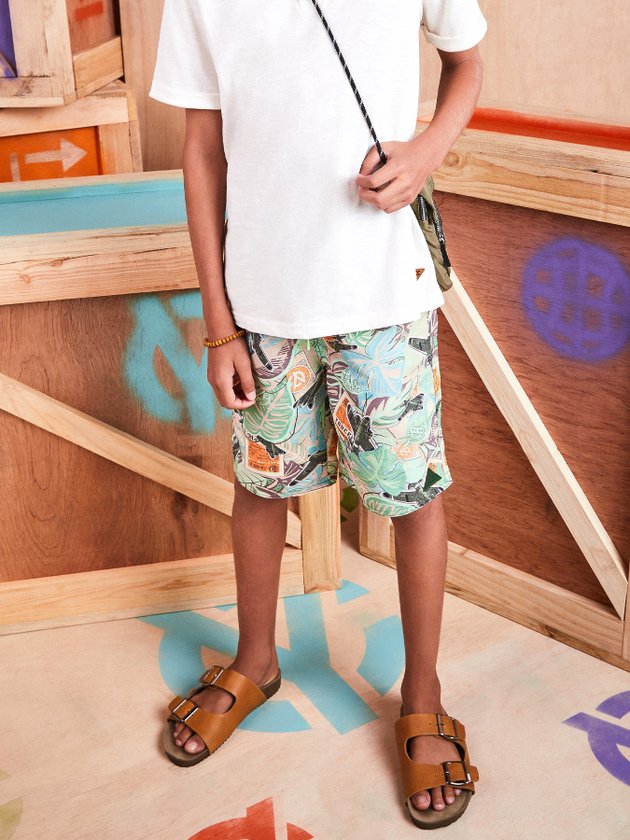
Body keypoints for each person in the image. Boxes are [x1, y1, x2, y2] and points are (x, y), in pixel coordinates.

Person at [149, 0, 487, 829]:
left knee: (412, 497)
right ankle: (255, 661)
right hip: (261, 305)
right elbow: (202, 149)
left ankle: (423, 693)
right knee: (260, 487)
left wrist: (426, 150)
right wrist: (219, 323)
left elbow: (467, 61)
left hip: (386, 297)